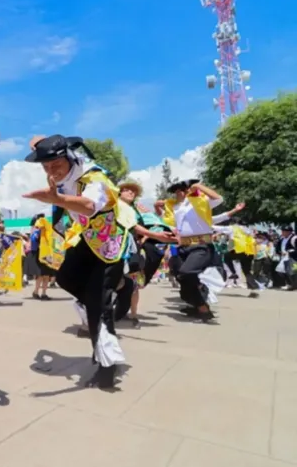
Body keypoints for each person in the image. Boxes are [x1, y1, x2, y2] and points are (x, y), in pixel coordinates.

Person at [23, 135, 135, 389]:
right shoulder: (65, 171)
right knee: (65, 277)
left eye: (56, 165)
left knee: (97, 307)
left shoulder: (95, 179)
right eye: (46, 167)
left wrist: (57, 199)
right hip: (86, 239)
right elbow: (40, 141)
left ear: (70, 159)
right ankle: (115, 290)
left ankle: (106, 370)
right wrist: (39, 146)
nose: (51, 171)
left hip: (108, 245)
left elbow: (88, 205)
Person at [155, 179, 225, 321]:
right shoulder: (175, 207)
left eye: (184, 189)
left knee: (187, 272)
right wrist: (157, 207)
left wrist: (198, 186)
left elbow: (218, 198)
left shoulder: (201, 201)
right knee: (180, 275)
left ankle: (202, 303)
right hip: (182, 246)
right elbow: (166, 221)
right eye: (177, 190)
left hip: (201, 244)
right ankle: (197, 305)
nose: (180, 192)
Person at [114, 180, 177, 327]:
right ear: (119, 192)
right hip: (114, 247)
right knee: (113, 279)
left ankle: (133, 314)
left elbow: (146, 225)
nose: (131, 192)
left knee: (133, 280)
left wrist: (149, 237)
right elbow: (133, 226)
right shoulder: (114, 206)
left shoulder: (137, 210)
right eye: (127, 190)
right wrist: (154, 235)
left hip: (132, 249)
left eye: (134, 191)